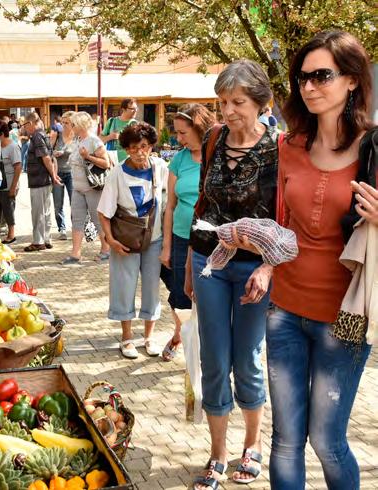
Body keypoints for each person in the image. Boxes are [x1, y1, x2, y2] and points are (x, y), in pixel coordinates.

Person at [263, 31, 375, 490]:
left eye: (321, 76)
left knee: (327, 440)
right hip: (284, 308)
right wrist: (259, 252)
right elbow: (282, 223)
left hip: (346, 315)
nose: (308, 86)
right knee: (285, 439)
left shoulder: (375, 147)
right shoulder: (288, 146)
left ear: (351, 80)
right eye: (302, 77)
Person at [185, 60, 279, 488]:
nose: (228, 111)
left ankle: (253, 444)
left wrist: (268, 266)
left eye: (238, 102)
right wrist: (190, 262)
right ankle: (217, 452)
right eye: (223, 102)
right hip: (210, 263)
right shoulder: (212, 140)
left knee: (248, 358)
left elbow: (285, 217)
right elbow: (201, 208)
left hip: (253, 269)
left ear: (262, 103)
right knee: (214, 359)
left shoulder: (281, 148)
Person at [98, 122, 169, 359]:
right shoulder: (116, 173)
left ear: (151, 147)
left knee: (151, 288)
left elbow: (170, 202)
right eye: (134, 147)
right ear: (126, 149)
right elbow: (104, 211)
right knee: (123, 287)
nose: (140, 152)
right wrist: (110, 240)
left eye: (145, 146)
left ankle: (149, 337)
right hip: (124, 240)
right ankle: (127, 338)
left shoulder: (160, 167)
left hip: (154, 238)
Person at [159, 104, 216, 361]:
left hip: (212, 241)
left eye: (183, 133)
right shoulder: (179, 159)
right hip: (182, 237)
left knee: (209, 295)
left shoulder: (216, 154)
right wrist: (167, 245)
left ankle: (204, 343)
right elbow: (170, 206)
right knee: (181, 294)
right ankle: (180, 333)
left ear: (200, 128)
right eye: (177, 133)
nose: (178, 139)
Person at [62, 111, 110, 264]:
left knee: (98, 220)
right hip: (78, 187)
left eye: (73, 124)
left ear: (81, 125)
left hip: (92, 188)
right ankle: (76, 254)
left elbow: (106, 163)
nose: (72, 127)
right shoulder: (77, 140)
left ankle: (106, 250)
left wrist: (88, 157)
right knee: (77, 220)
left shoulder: (94, 141)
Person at [23, 111, 61, 252]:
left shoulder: (37, 136)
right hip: (44, 179)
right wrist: (53, 175)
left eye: (25, 125)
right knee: (45, 210)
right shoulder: (43, 134)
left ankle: (38, 242)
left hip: (39, 179)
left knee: (38, 211)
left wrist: (53, 174)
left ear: (31, 123)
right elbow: (51, 157)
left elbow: (46, 157)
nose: (24, 128)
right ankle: (46, 239)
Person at [0, 120, 22, 244]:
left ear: (2, 134)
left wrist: (13, 188)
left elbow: (18, 167)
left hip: (9, 184)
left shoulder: (13, 147)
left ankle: (11, 234)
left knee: (9, 210)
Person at [52, 111, 76, 240]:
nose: (64, 125)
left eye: (67, 123)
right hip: (57, 172)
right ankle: (62, 229)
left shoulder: (77, 137)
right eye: (63, 122)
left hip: (72, 173)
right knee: (58, 203)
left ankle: (76, 229)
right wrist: (54, 153)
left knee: (75, 203)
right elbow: (48, 151)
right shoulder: (57, 135)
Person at [100, 98, 138, 163]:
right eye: (132, 109)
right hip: (112, 162)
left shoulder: (135, 124)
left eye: (136, 108)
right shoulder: (111, 121)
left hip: (129, 163)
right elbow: (100, 140)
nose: (135, 111)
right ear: (123, 109)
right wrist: (110, 137)